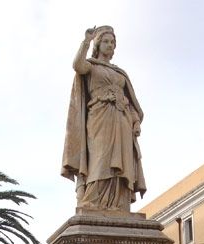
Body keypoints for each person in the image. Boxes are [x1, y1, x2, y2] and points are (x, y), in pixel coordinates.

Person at [61, 25, 146, 211]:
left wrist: (135, 120)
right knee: (100, 159)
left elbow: (130, 103)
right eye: (106, 41)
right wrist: (85, 42)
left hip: (121, 119)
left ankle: (119, 203)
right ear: (98, 45)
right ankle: (93, 200)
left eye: (113, 42)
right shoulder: (91, 65)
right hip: (99, 118)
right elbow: (77, 65)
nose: (110, 45)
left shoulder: (120, 73)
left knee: (121, 163)